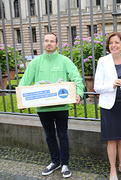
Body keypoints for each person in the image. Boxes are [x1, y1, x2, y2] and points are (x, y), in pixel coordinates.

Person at [19, 32, 84, 178]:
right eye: (46, 41)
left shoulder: (64, 61)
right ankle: (55, 161)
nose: (49, 43)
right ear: (43, 43)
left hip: (61, 107)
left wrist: (79, 92)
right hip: (42, 108)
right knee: (49, 136)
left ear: (57, 44)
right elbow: (25, 80)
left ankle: (65, 163)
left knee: (63, 135)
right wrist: (20, 100)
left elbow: (76, 77)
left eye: (52, 41)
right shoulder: (35, 62)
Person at [94, 32, 121, 180]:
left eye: (117, 42)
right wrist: (111, 85)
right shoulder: (102, 61)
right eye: (111, 43)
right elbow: (97, 87)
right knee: (112, 139)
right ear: (108, 46)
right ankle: (113, 169)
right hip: (109, 106)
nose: (114, 45)